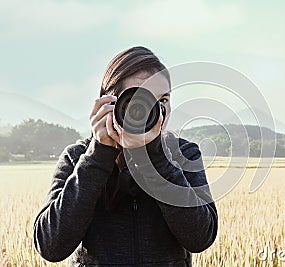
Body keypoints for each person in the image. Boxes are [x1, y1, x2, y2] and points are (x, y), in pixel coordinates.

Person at [33, 46, 218, 267]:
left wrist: (154, 158)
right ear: (110, 103)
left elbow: (200, 238)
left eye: (164, 100)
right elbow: (51, 246)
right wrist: (99, 154)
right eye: (140, 100)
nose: (157, 111)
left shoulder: (183, 154)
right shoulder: (77, 158)